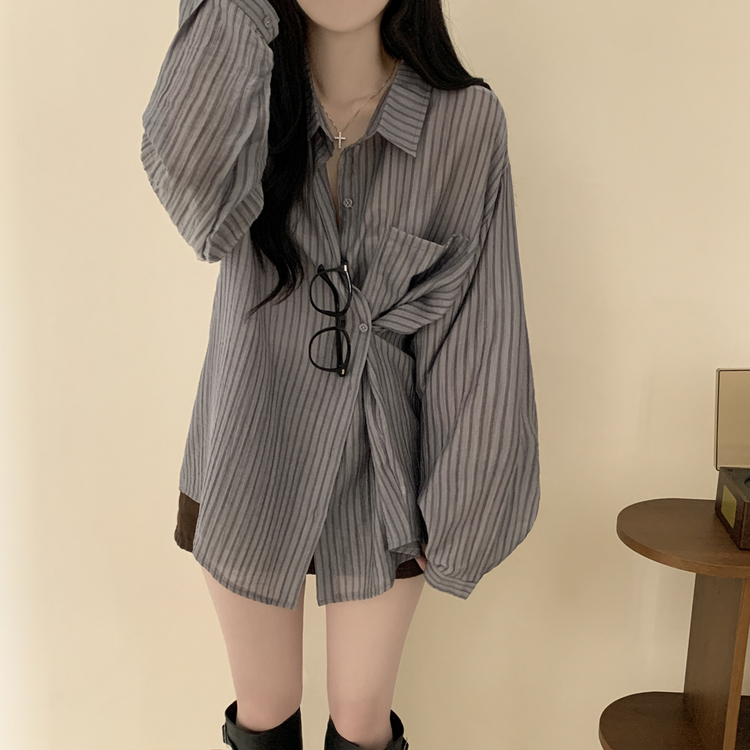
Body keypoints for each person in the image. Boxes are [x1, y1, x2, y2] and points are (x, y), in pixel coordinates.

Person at [139, 0, 540, 748]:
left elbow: (480, 333)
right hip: (251, 438)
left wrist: (461, 511)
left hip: (383, 470)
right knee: (264, 707)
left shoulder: (465, 122)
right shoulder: (244, 98)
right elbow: (199, 208)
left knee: (361, 717)